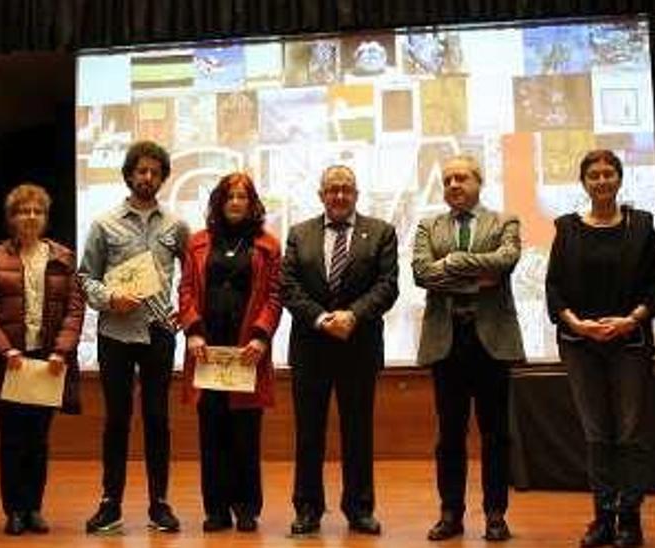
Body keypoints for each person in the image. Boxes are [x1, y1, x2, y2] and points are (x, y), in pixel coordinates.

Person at [546, 150, 655, 547]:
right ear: (583, 182)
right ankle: (602, 518)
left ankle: (629, 518)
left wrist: (631, 320)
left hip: (630, 342)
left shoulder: (642, 225)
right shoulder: (567, 227)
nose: (601, 181)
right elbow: (553, 287)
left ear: (619, 178)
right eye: (593, 175)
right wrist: (576, 323)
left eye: (608, 173)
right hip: (581, 344)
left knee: (629, 433)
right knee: (596, 435)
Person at [78, 140, 190, 534]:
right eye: (141, 170)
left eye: (155, 172)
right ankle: (111, 503)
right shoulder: (103, 223)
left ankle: (160, 503)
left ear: (162, 178)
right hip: (115, 335)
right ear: (128, 174)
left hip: (159, 334)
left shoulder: (176, 225)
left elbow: (192, 278)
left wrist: (185, 310)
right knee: (117, 420)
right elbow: (85, 278)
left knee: (158, 419)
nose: (147, 177)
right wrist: (110, 298)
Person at [411, 155, 524, 542]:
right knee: (449, 436)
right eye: (446, 180)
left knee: (496, 435)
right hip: (447, 342)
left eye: (461, 178)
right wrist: (477, 276)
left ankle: (495, 515)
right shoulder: (429, 225)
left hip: (491, 341)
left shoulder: (504, 221)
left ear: (479, 182)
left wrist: (454, 264)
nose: (453, 185)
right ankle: (450, 514)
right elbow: (422, 273)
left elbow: (506, 261)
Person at [281, 165, 399, 536]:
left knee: (358, 432)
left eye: (346, 189)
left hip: (358, 346)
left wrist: (353, 316)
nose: (339, 195)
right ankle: (307, 509)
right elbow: (288, 286)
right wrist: (320, 319)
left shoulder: (381, 232)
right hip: (310, 347)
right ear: (321, 195)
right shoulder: (299, 234)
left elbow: (387, 285)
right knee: (309, 433)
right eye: (332, 189)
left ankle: (360, 508)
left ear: (356, 194)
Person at [0, 183, 85, 536]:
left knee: (39, 437)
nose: (30, 217)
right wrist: (6, 349)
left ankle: (34, 508)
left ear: (45, 217)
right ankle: (14, 511)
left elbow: (75, 309)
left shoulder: (63, 257)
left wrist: (61, 351)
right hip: (9, 361)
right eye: (23, 211)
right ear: (12, 218)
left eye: (37, 211)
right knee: (11, 437)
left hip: (47, 362)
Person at [177, 172, 283, 533]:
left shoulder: (268, 245)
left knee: (245, 434)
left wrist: (261, 337)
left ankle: (247, 509)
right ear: (218, 203)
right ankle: (216, 510)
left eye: (242, 197)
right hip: (207, 353)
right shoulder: (197, 243)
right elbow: (187, 291)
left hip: (247, 352)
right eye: (229, 197)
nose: (235, 202)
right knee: (212, 433)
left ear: (252, 204)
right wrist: (192, 331)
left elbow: (274, 296)